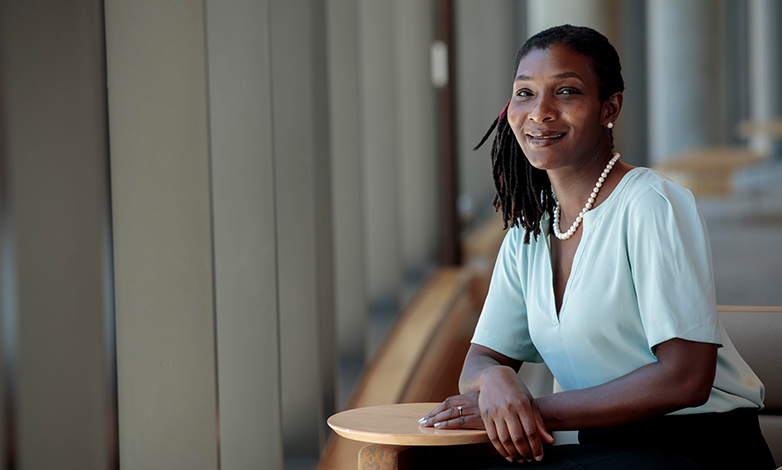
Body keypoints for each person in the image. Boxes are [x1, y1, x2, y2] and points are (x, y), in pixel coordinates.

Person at [419, 25, 776, 469]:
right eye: (525, 93)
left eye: (566, 92)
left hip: (696, 447)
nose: (540, 112)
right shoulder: (528, 233)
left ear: (610, 107)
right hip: (600, 447)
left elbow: (687, 379)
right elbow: (482, 357)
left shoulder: (650, 203)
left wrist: (531, 411)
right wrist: (494, 381)